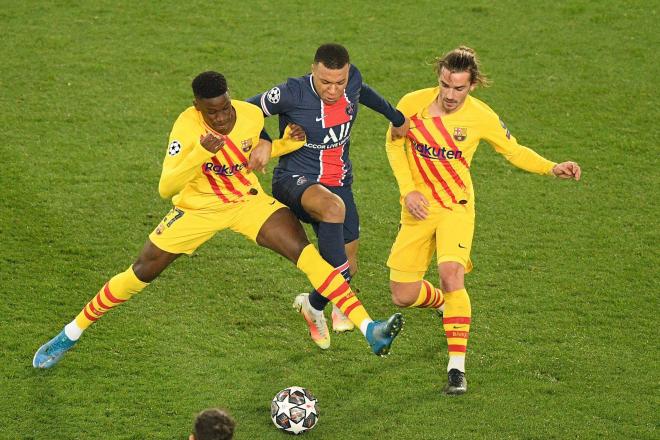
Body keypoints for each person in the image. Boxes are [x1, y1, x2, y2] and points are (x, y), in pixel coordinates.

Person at [32, 71, 404, 369]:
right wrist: (198, 153)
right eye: (213, 112)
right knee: (141, 271)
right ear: (197, 108)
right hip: (197, 210)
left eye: (225, 108)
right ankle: (71, 333)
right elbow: (167, 186)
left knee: (309, 257)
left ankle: (369, 328)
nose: (223, 116)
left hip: (246, 201)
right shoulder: (186, 129)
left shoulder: (249, 114)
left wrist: (283, 144)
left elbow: (253, 152)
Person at [385, 46, 581, 395]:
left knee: (451, 274)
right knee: (402, 295)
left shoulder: (481, 117)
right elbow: (393, 144)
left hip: (456, 208)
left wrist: (552, 167)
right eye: (445, 84)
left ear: (472, 85)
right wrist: (408, 192)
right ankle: (445, 303)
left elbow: (514, 150)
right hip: (417, 210)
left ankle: (456, 368)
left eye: (458, 88)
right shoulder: (412, 103)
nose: (449, 94)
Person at [247, 43, 409, 349]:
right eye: (325, 82)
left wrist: (397, 117)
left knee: (348, 265)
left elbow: (366, 93)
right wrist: (265, 140)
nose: (333, 90)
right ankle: (353, 315)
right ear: (313, 70)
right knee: (334, 212)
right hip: (295, 180)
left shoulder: (353, 82)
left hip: (339, 182)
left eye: (340, 82)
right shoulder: (291, 93)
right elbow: (246, 109)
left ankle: (314, 305)